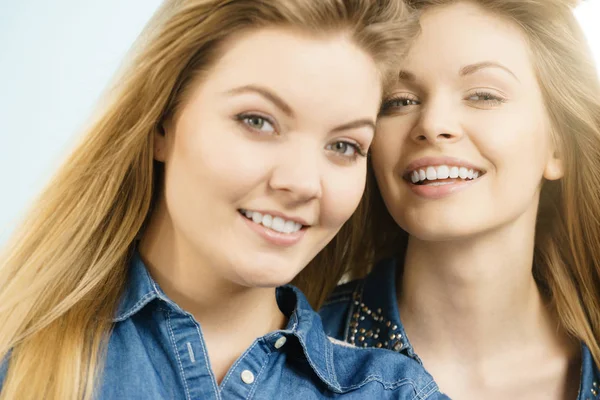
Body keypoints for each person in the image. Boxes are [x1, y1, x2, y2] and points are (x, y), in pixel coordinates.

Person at [0, 1, 451, 399]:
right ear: (162, 120)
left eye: (343, 146)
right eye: (257, 121)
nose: (302, 183)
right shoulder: (15, 352)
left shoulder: (393, 393)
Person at [320, 0, 600, 398]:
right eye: (399, 101)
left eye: (483, 95)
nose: (432, 124)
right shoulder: (289, 359)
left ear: (559, 148)